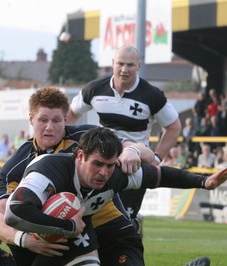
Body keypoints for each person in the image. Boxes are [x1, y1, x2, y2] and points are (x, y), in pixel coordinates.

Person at [4, 127, 227, 266]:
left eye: (109, 165)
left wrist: (204, 182)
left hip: (113, 238)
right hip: (75, 235)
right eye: (97, 164)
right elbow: (15, 212)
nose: (104, 173)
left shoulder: (115, 173)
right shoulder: (50, 169)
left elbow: (158, 175)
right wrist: (66, 226)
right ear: (80, 156)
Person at [0, 86, 210, 266]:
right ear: (31, 119)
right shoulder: (15, 166)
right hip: (53, 226)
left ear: (66, 119)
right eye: (43, 120)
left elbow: (142, 152)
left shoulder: (87, 137)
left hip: (104, 216)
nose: (50, 127)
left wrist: (132, 150)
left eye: (56, 120)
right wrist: (25, 241)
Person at [66, 45, 182, 222]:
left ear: (138, 66)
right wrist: (68, 144)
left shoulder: (152, 95)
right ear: (112, 63)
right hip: (103, 162)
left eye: (130, 65)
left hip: (133, 165)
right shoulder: (95, 89)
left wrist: (157, 158)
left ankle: (134, 225)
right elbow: (71, 114)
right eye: (120, 64)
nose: (124, 70)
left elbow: (174, 127)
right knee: (93, 218)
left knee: (126, 219)